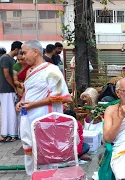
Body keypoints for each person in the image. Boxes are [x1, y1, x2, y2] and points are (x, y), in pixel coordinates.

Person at [15, 40, 72, 175]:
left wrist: (34, 104)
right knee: (29, 149)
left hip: (45, 118)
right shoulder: (29, 71)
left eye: (24, 52)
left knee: (46, 151)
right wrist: (21, 101)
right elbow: (28, 93)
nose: (22, 56)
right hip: (27, 117)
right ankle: (33, 176)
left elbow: (63, 97)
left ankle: (48, 176)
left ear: (35, 52)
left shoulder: (52, 70)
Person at [0, 41, 22, 142]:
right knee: (6, 112)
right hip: (5, 89)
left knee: (11, 112)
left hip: (10, 89)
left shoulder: (12, 59)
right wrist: (14, 86)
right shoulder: (5, 58)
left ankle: (11, 133)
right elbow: (6, 75)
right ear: (16, 49)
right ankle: (5, 133)